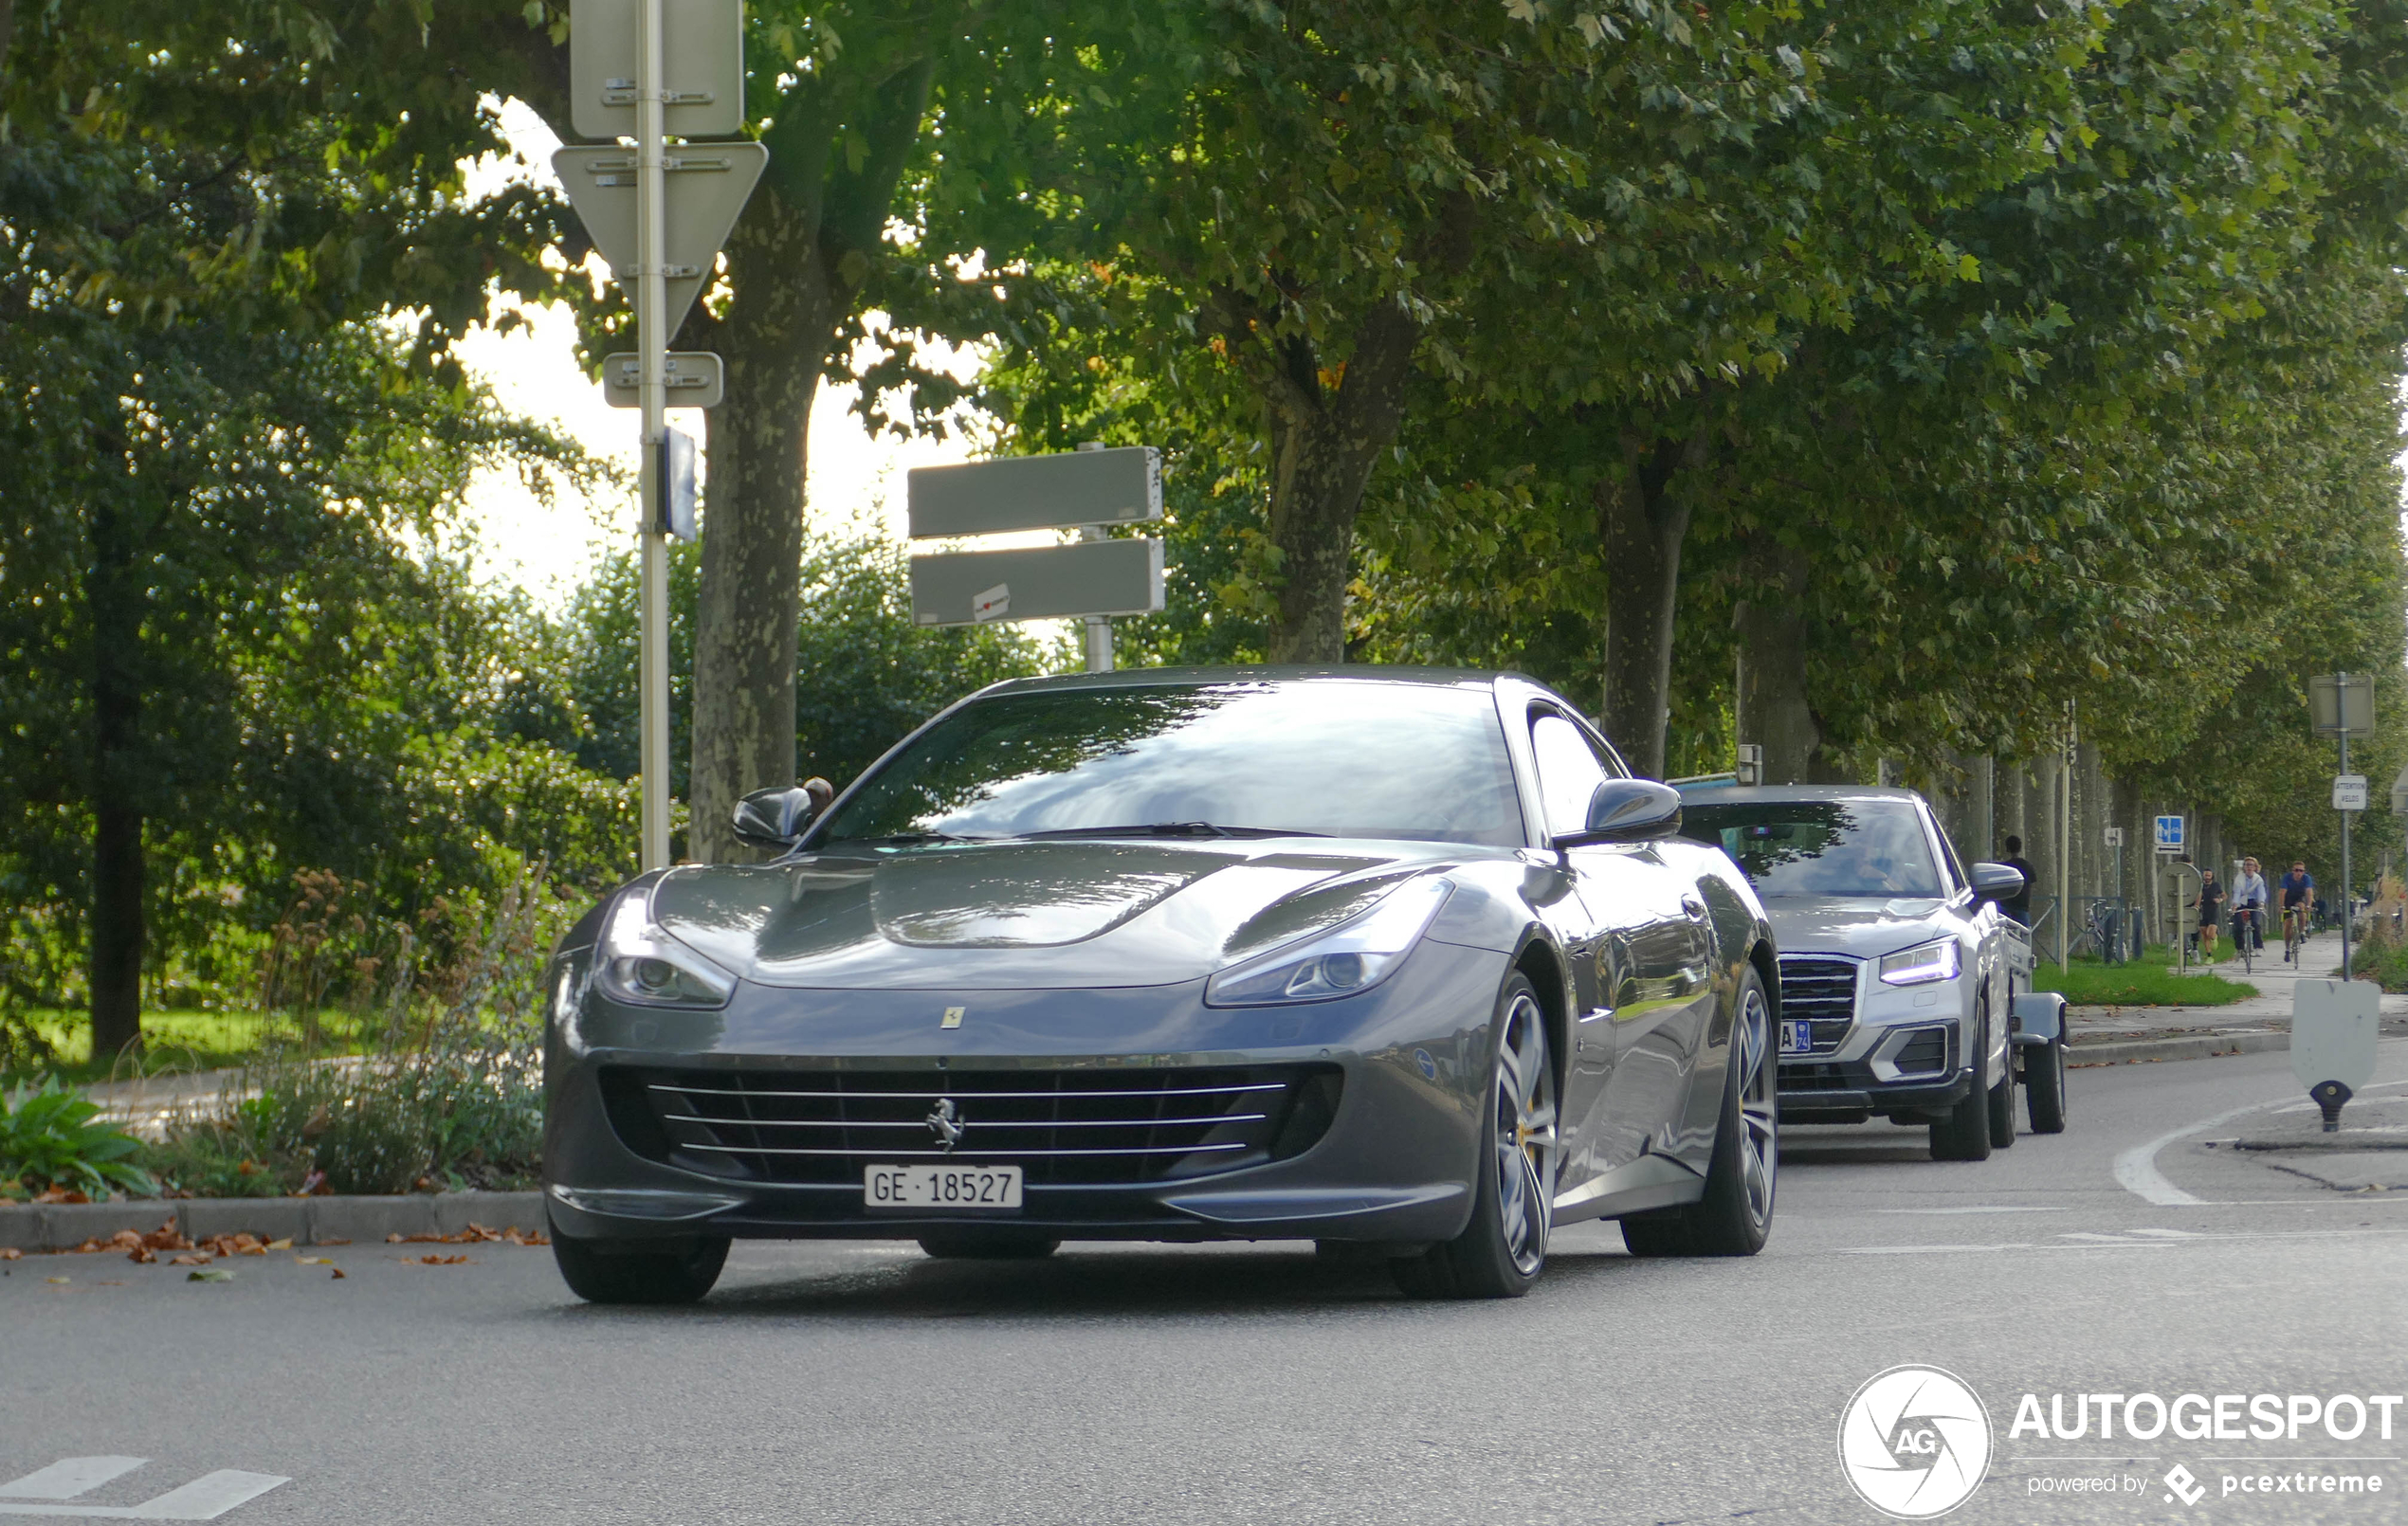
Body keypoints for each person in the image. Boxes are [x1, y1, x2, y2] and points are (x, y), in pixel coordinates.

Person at [2230, 856, 2270, 959]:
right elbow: (2237, 892)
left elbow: (2261, 892)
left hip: (2254, 902)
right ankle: (2239, 949)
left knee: (2256, 923)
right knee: (2238, 926)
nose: (2249, 867)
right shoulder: (2239, 879)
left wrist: (2261, 903)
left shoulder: (2258, 880)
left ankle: (2258, 946)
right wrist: (2235, 905)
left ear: (2256, 867)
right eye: (2247, 865)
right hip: (2241, 902)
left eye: (2251, 865)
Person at [2278, 860, 2316, 961]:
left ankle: (2302, 932)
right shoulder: (2287, 878)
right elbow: (2282, 892)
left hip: (2299, 898)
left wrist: (2309, 905)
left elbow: (2309, 892)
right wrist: (2281, 906)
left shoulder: (2306, 878)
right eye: (2296, 870)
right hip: (2288, 899)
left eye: (2301, 871)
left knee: (2301, 908)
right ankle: (2287, 948)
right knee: (2288, 923)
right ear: (2293, 871)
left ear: (2303, 872)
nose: (2299, 873)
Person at [1998, 835, 2035, 925]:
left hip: (2005, 905)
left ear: (2007, 848)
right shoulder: (2028, 866)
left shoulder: (2004, 867)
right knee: (2024, 935)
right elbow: (2032, 883)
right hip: (2022, 906)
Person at [2193, 867, 2224, 959]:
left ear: (2212, 876)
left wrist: (2220, 900)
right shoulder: (2200, 886)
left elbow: (2224, 895)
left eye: (2209, 875)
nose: (2207, 877)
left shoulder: (2216, 885)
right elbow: (2198, 897)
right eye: (2205, 875)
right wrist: (2196, 907)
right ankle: (2209, 956)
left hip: (2213, 911)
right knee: (2204, 934)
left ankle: (2214, 937)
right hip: (2203, 911)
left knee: (2210, 933)